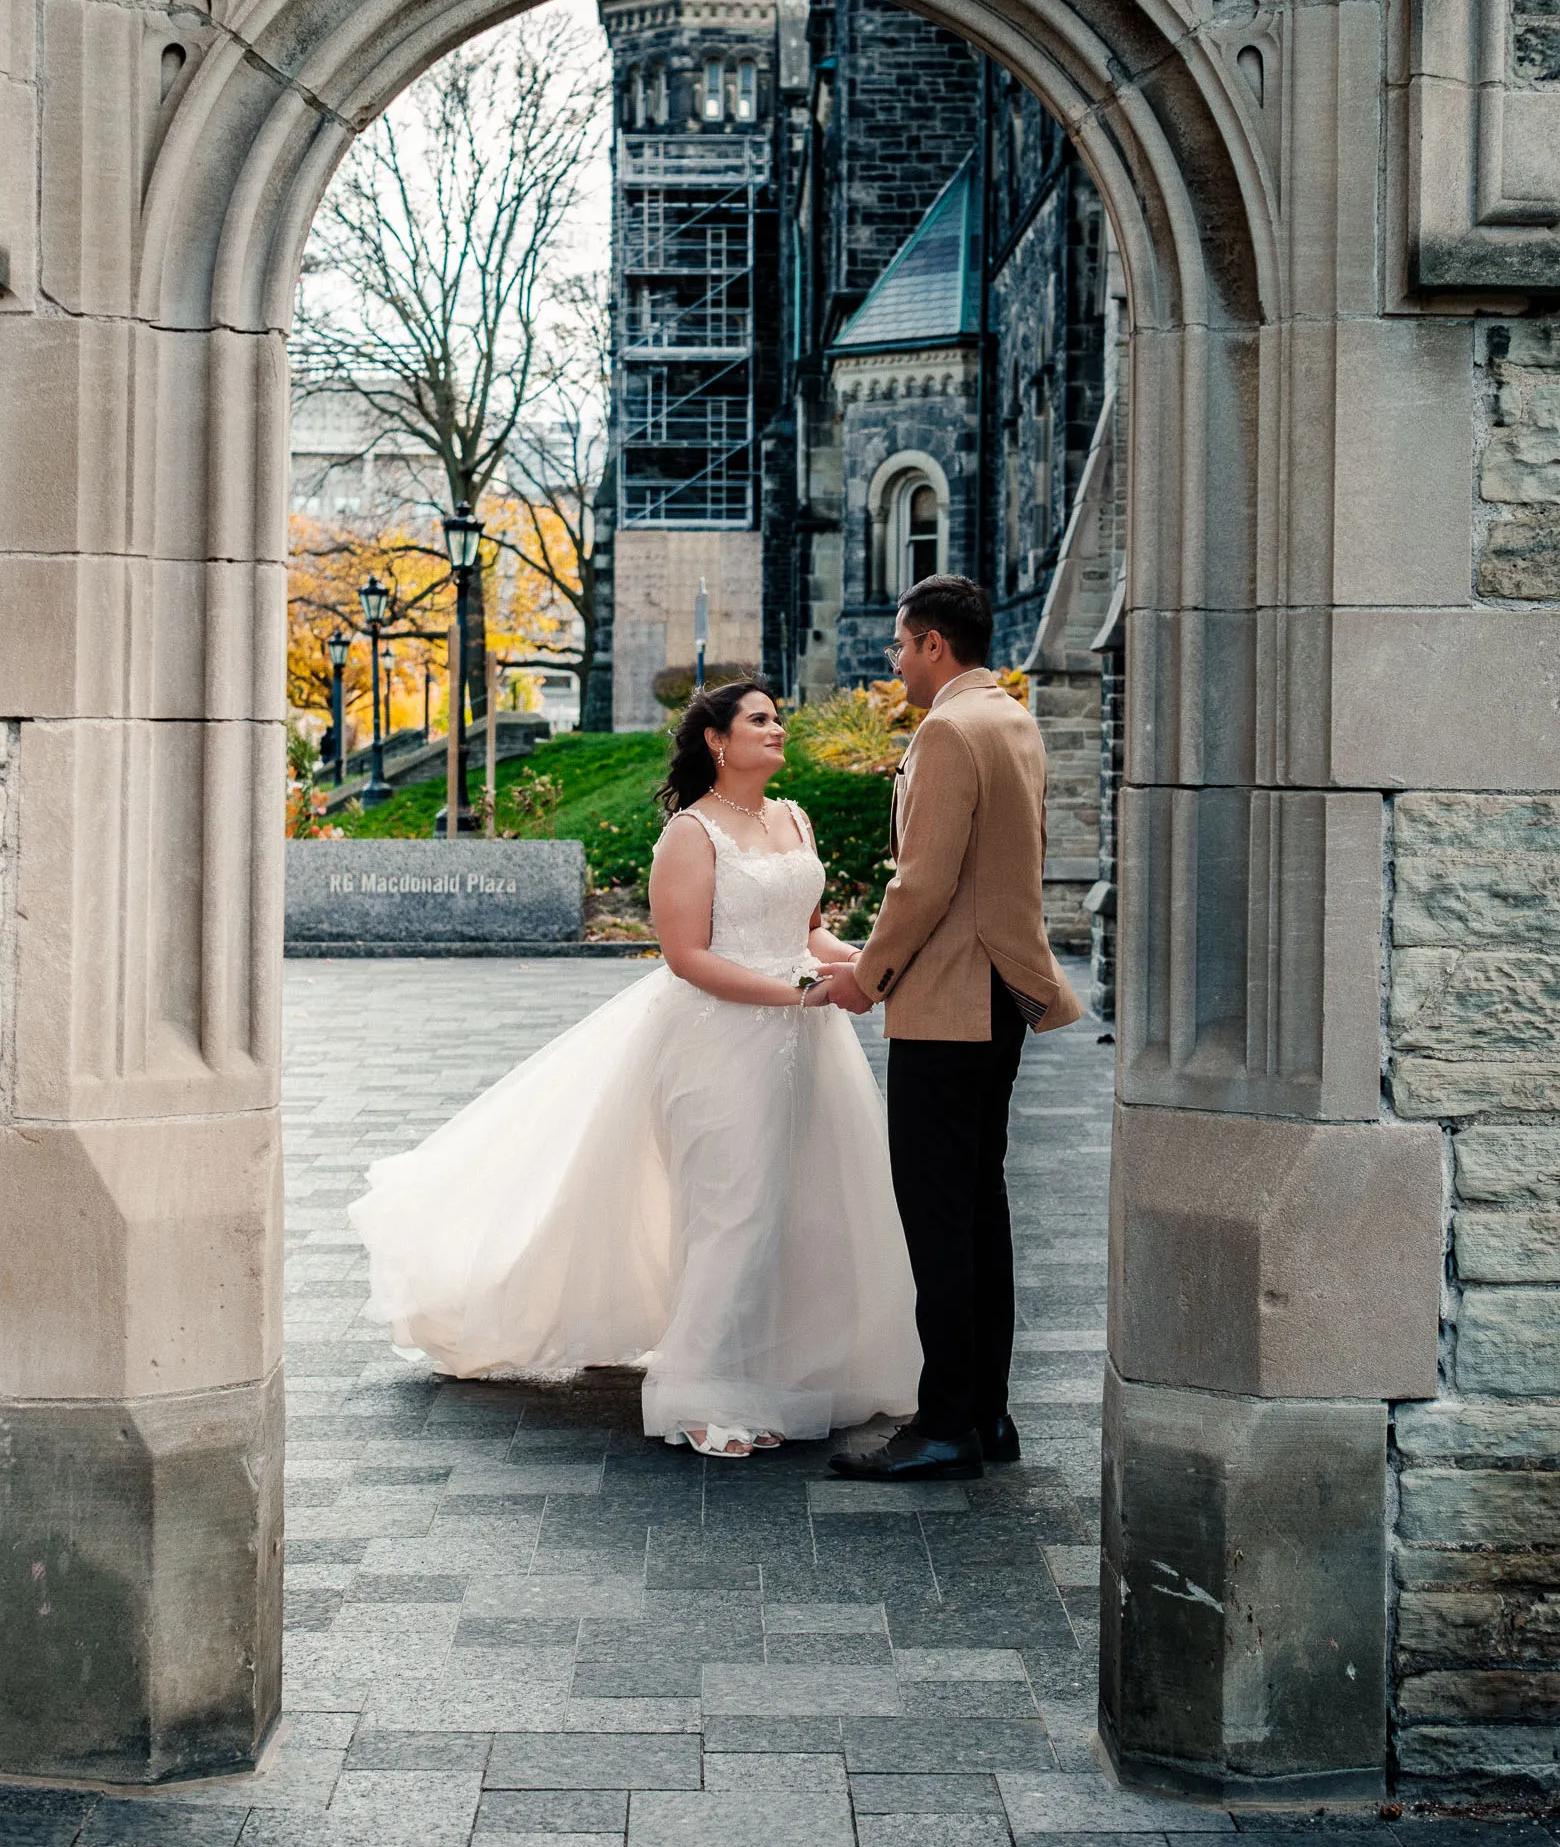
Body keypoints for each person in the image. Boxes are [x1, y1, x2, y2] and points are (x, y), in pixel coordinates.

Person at [350, 677, 919, 1460]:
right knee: (733, 1210)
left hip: (806, 1043)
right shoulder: (691, 832)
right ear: (718, 740)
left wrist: (865, 964)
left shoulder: (794, 818)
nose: (778, 728)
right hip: (721, 1041)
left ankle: (777, 1366)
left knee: (801, 1204)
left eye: (778, 718)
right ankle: (696, 1391)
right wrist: (801, 995)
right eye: (760, 719)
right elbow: (686, 957)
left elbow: (809, 931)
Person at [823, 575, 1083, 1483]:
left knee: (940, 1221)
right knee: (978, 1212)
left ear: (934, 644)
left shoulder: (947, 730)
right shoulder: (1011, 718)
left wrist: (865, 978)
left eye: (900, 646)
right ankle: (986, 1415)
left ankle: (944, 1427)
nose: (894, 663)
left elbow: (922, 883)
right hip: (998, 998)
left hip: (946, 1003)